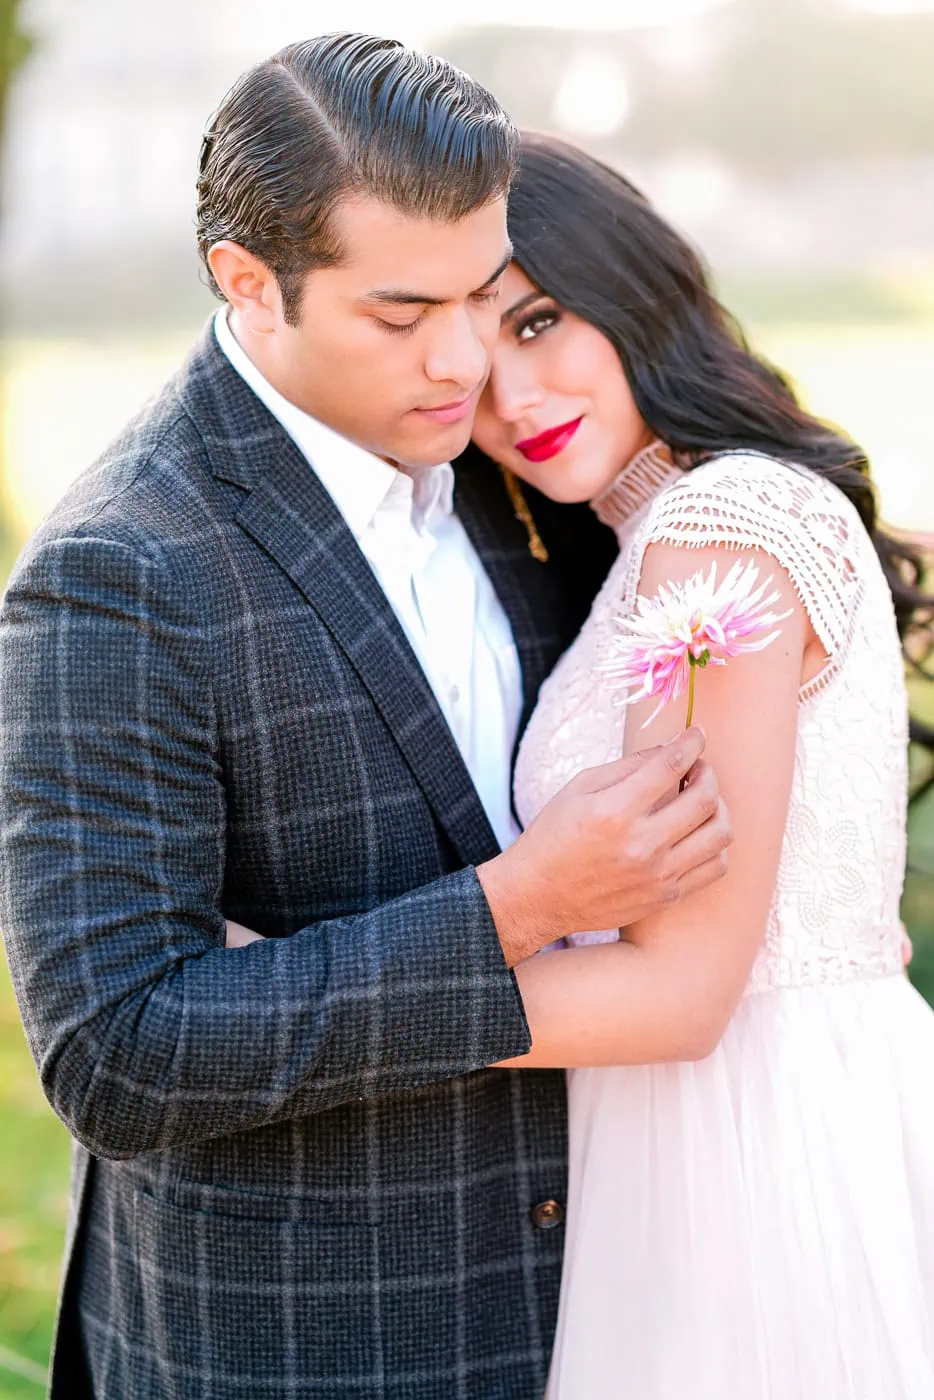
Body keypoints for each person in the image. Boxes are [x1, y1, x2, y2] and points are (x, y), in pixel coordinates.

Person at [0, 40, 732, 1400]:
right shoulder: (121, 572)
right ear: (245, 282)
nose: (463, 362)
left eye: (481, 295)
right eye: (400, 316)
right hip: (301, 1346)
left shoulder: (515, 477)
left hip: (602, 1311)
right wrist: (515, 902)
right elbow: (115, 1055)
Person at [464, 131, 934, 1398]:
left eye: (538, 320)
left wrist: (313, 992)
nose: (509, 398)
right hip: (704, 1123)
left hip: (746, 1147)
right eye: (469, 344)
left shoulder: (721, 525)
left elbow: (676, 993)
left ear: (632, 285)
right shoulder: (661, 536)